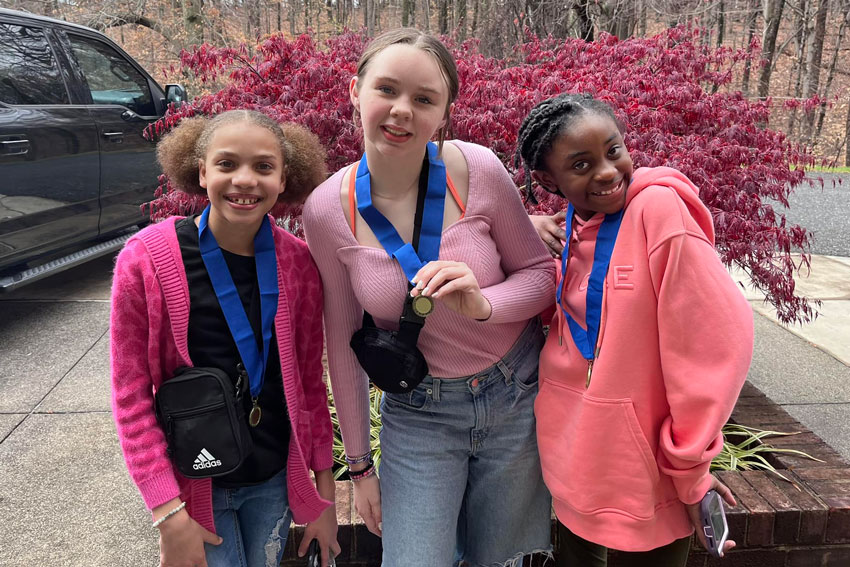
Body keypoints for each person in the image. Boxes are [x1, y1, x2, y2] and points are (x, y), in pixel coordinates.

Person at [302, 28, 555, 567]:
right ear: (355, 90)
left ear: (444, 113)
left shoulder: (479, 170)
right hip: (421, 414)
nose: (401, 111)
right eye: (387, 90)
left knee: (506, 560)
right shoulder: (327, 210)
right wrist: (360, 469)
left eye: (423, 99)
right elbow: (343, 343)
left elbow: (540, 274)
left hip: (516, 395)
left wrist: (485, 303)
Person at [514, 93, 754, 566]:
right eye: (580, 165)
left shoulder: (658, 211)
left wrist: (689, 468)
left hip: (651, 476)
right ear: (548, 180)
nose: (606, 171)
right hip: (575, 464)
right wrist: (528, 227)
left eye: (613, 150)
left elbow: (713, 346)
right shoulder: (571, 227)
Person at [110, 109, 340, 567]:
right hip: (195, 488)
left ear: (282, 179)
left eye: (263, 167)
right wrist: (167, 511)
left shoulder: (298, 265)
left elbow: (311, 387)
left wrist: (324, 497)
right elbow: (130, 397)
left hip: (271, 480)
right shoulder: (146, 262)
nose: (245, 180)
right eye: (227, 164)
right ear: (201, 170)